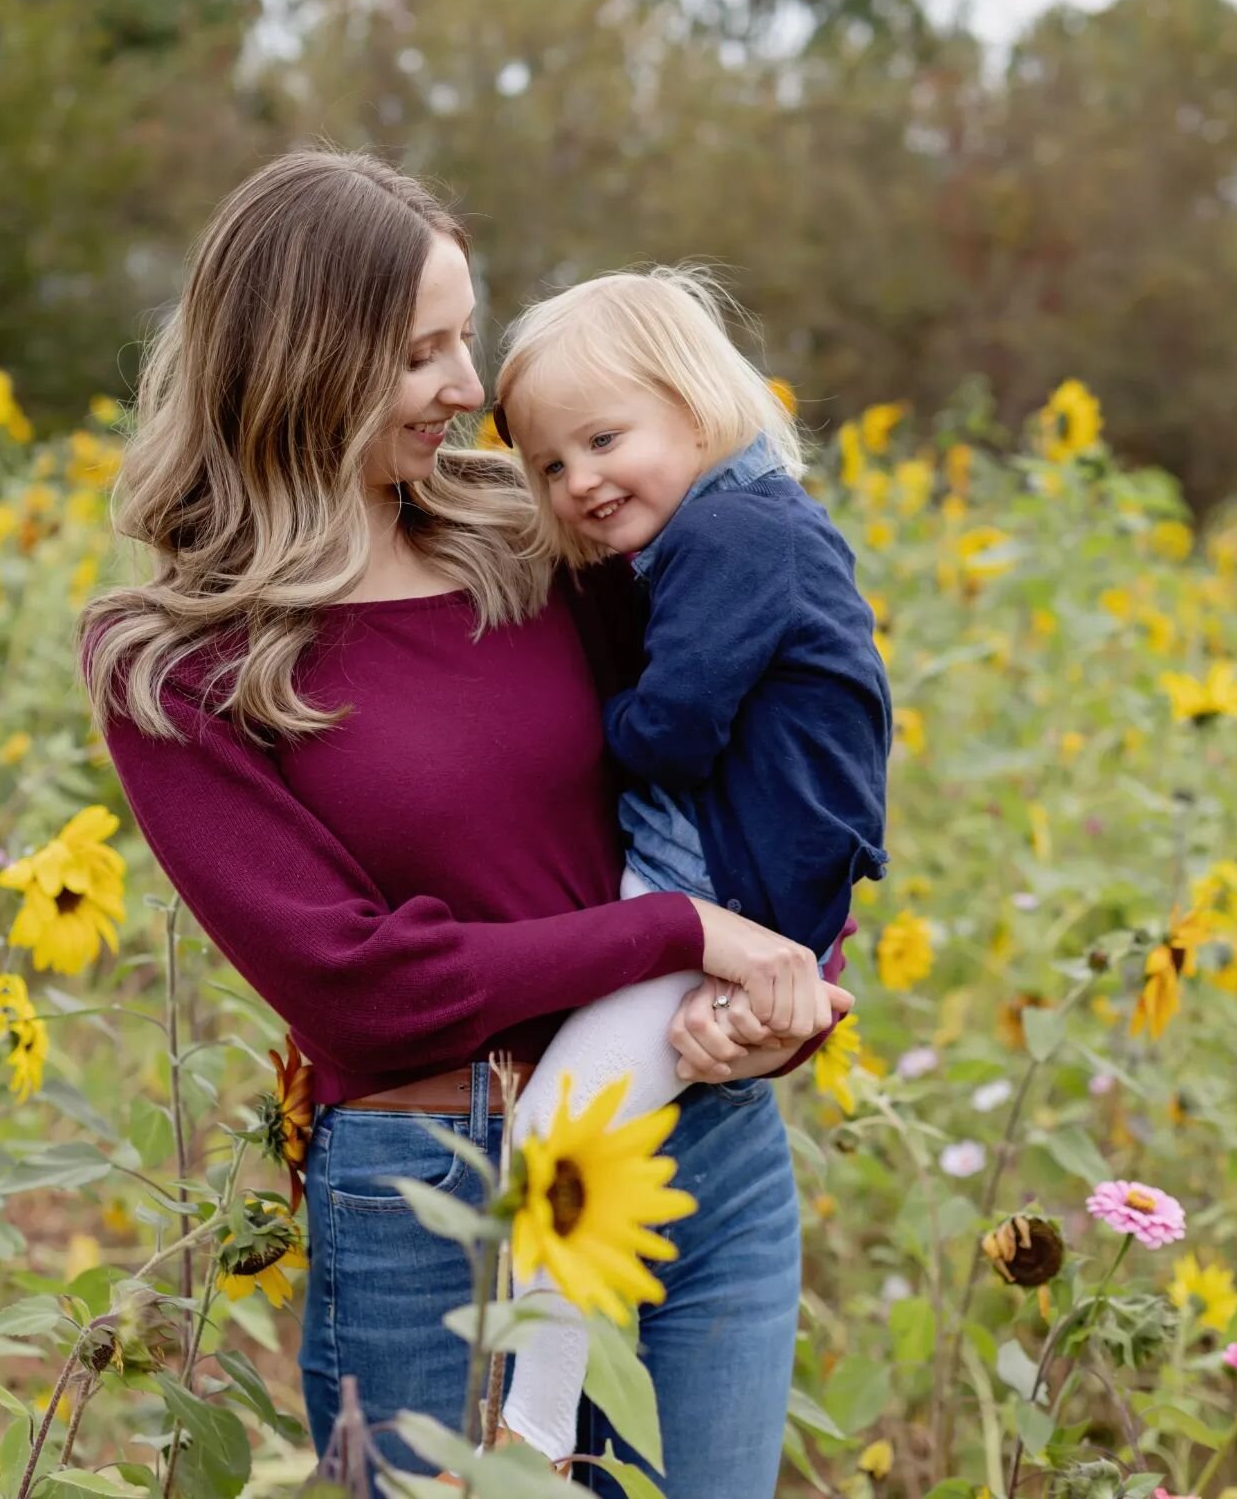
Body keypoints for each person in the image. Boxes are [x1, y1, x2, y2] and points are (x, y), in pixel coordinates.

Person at [81, 149, 849, 1497]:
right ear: (301, 365)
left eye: (464, 336)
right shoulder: (179, 659)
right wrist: (671, 928)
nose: (469, 389)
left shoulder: (539, 537)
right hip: (439, 1189)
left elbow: (750, 756)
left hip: (695, 1137)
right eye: (420, 352)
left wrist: (788, 987)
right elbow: (364, 989)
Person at [490, 268, 891, 1465]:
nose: (580, 483)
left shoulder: (730, 535)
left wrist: (579, 736)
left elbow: (672, 725)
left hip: (719, 892)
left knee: (561, 1135)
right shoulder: (755, 524)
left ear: (699, 408)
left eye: (606, 439)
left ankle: (533, 1422)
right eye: (552, 467)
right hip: (745, 885)